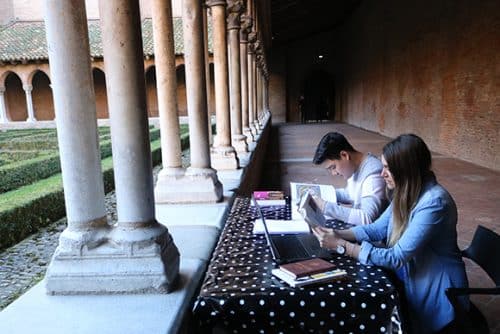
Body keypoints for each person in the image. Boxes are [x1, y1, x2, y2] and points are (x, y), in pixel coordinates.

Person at [312, 134, 469, 334]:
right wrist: (337, 233)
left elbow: (396, 257)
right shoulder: (408, 191)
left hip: (441, 291)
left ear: (406, 170)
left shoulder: (433, 203)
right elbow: (377, 228)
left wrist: (342, 246)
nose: (382, 174)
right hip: (414, 275)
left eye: (387, 168)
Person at [312, 132, 387, 225]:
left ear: (344, 155)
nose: (333, 173)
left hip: (372, 237)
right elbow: (350, 194)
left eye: (333, 167)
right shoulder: (354, 167)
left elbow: (367, 218)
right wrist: (322, 193)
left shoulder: (373, 175)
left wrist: (325, 207)